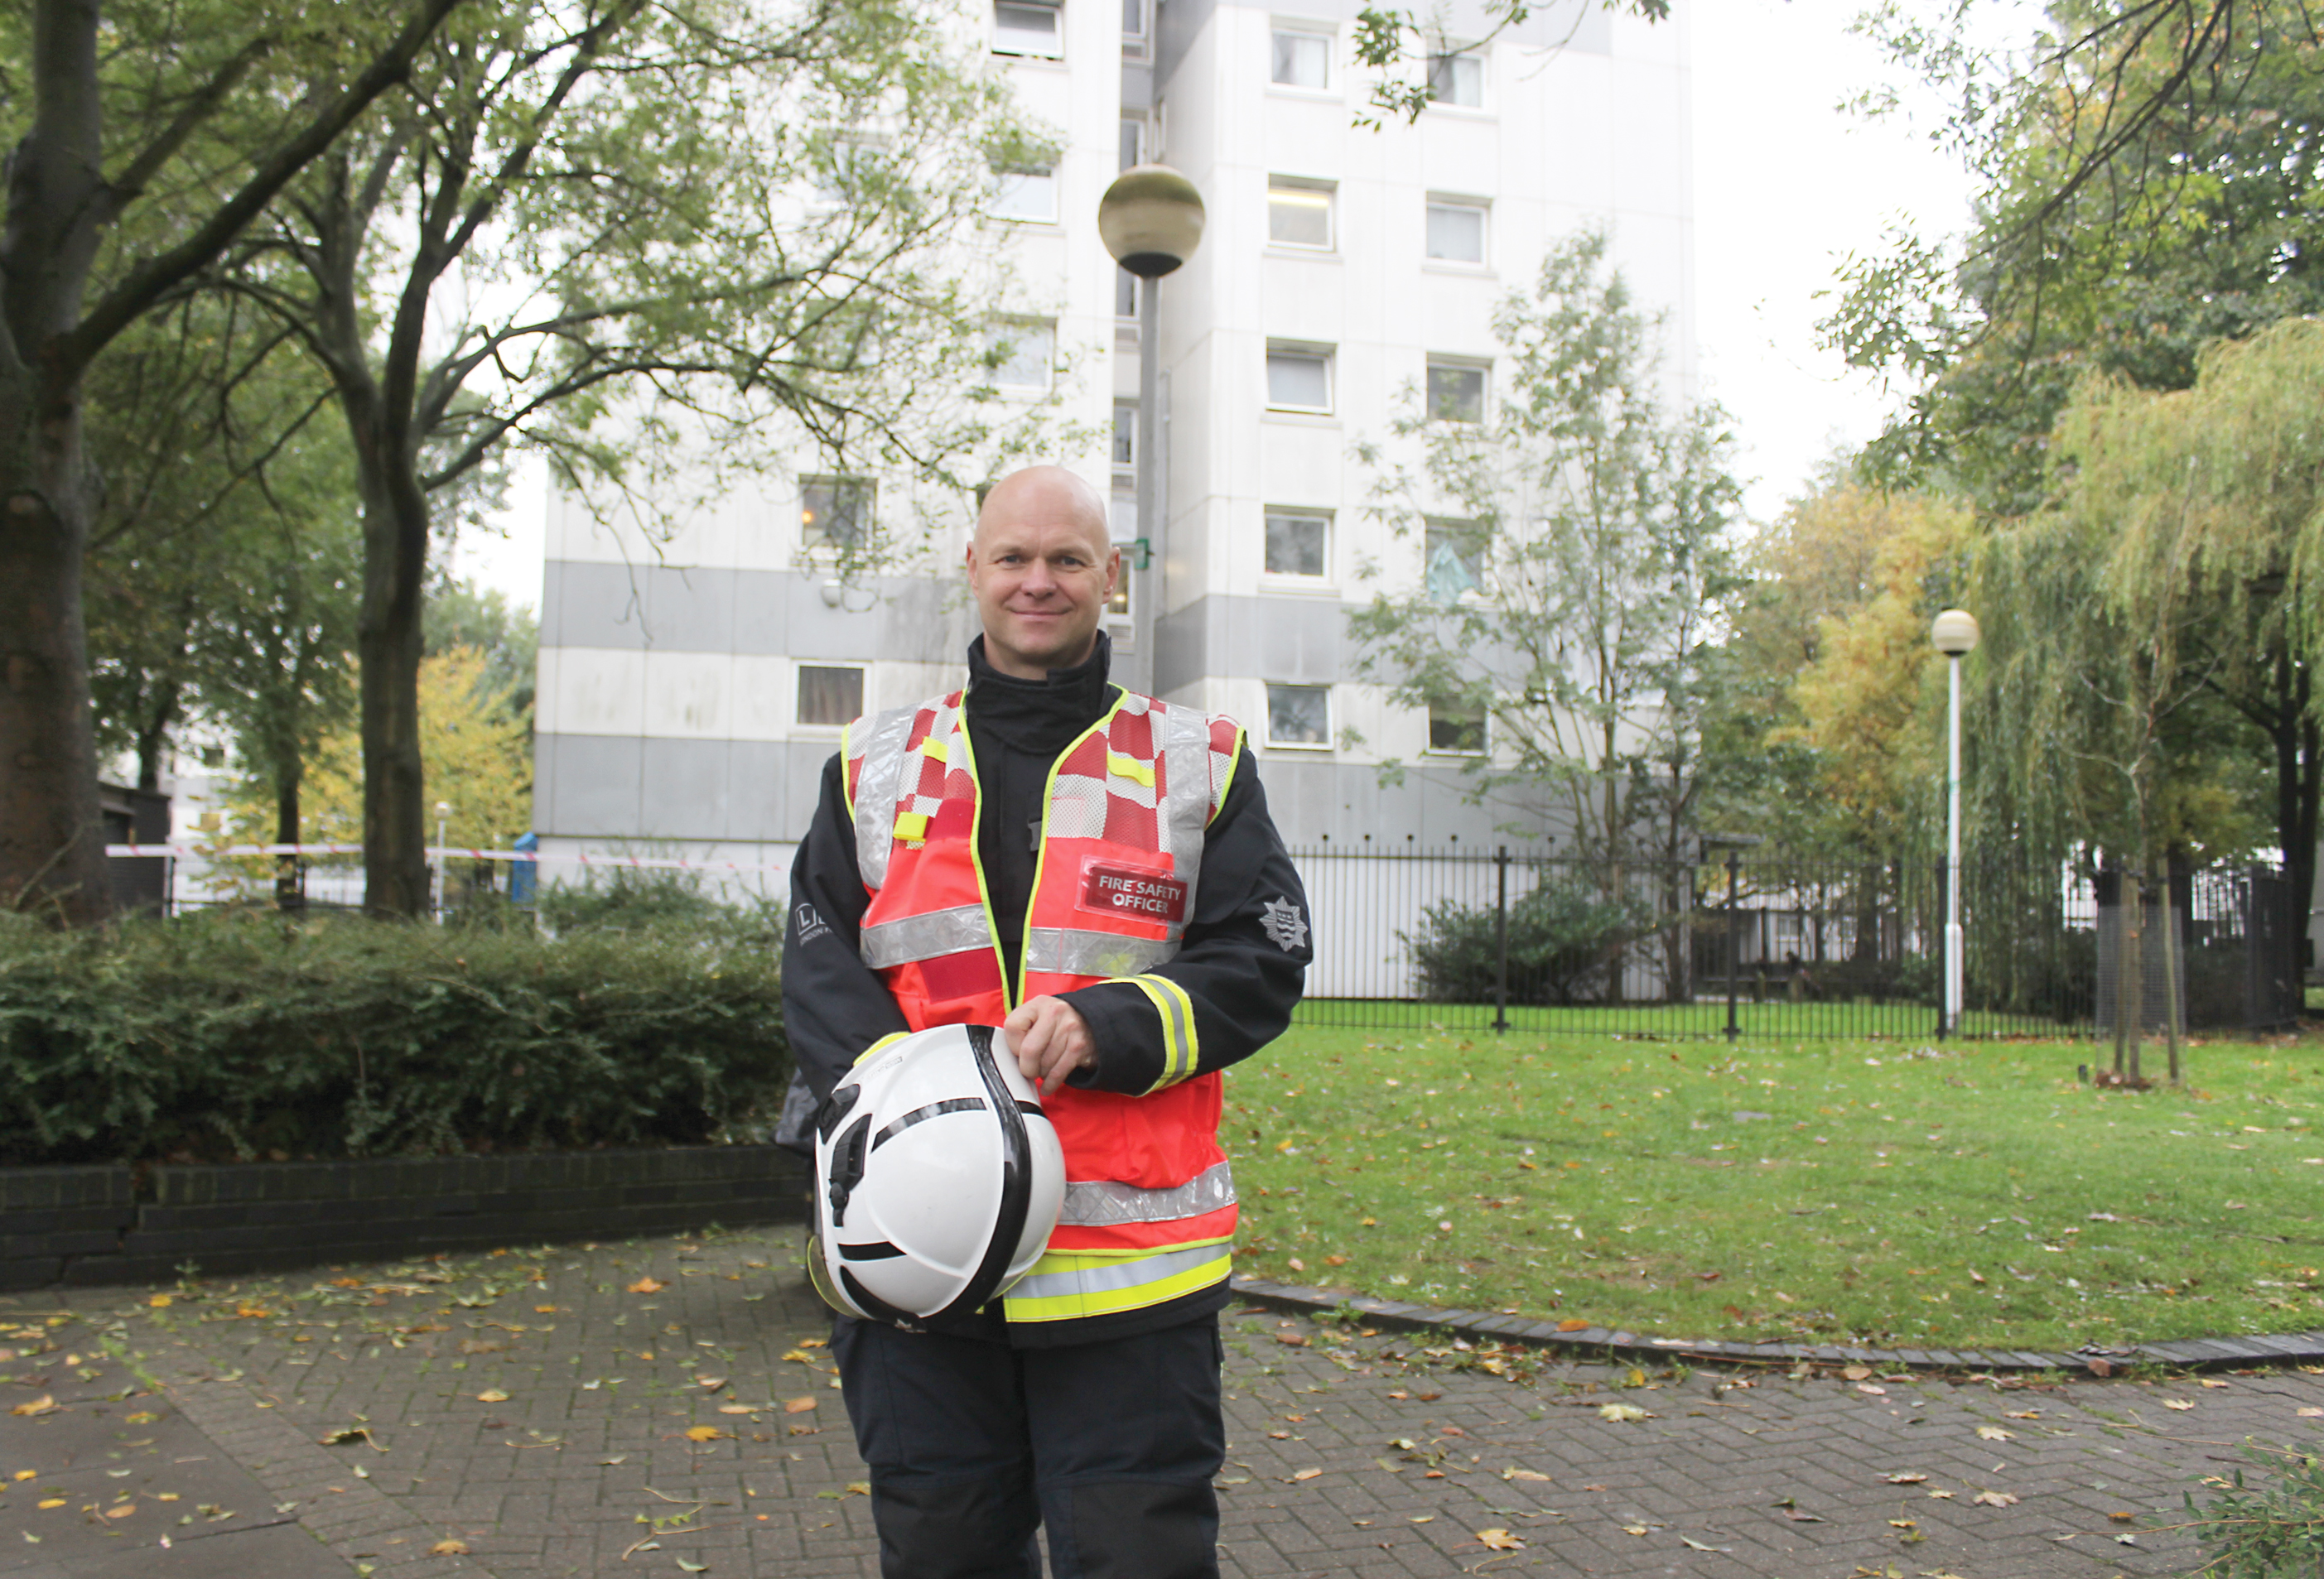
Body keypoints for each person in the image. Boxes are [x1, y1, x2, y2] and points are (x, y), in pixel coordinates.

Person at [781, 465, 1312, 1579]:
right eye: (1012, 558)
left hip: (1125, 1278)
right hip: (913, 1255)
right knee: (941, 1558)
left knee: (1139, 1563)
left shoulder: (1197, 764)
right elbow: (817, 952)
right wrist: (917, 1108)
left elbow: (1261, 957)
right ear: (971, 571)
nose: (1038, 582)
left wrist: (1112, 1023)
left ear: (1108, 578)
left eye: (1066, 559)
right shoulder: (871, 766)